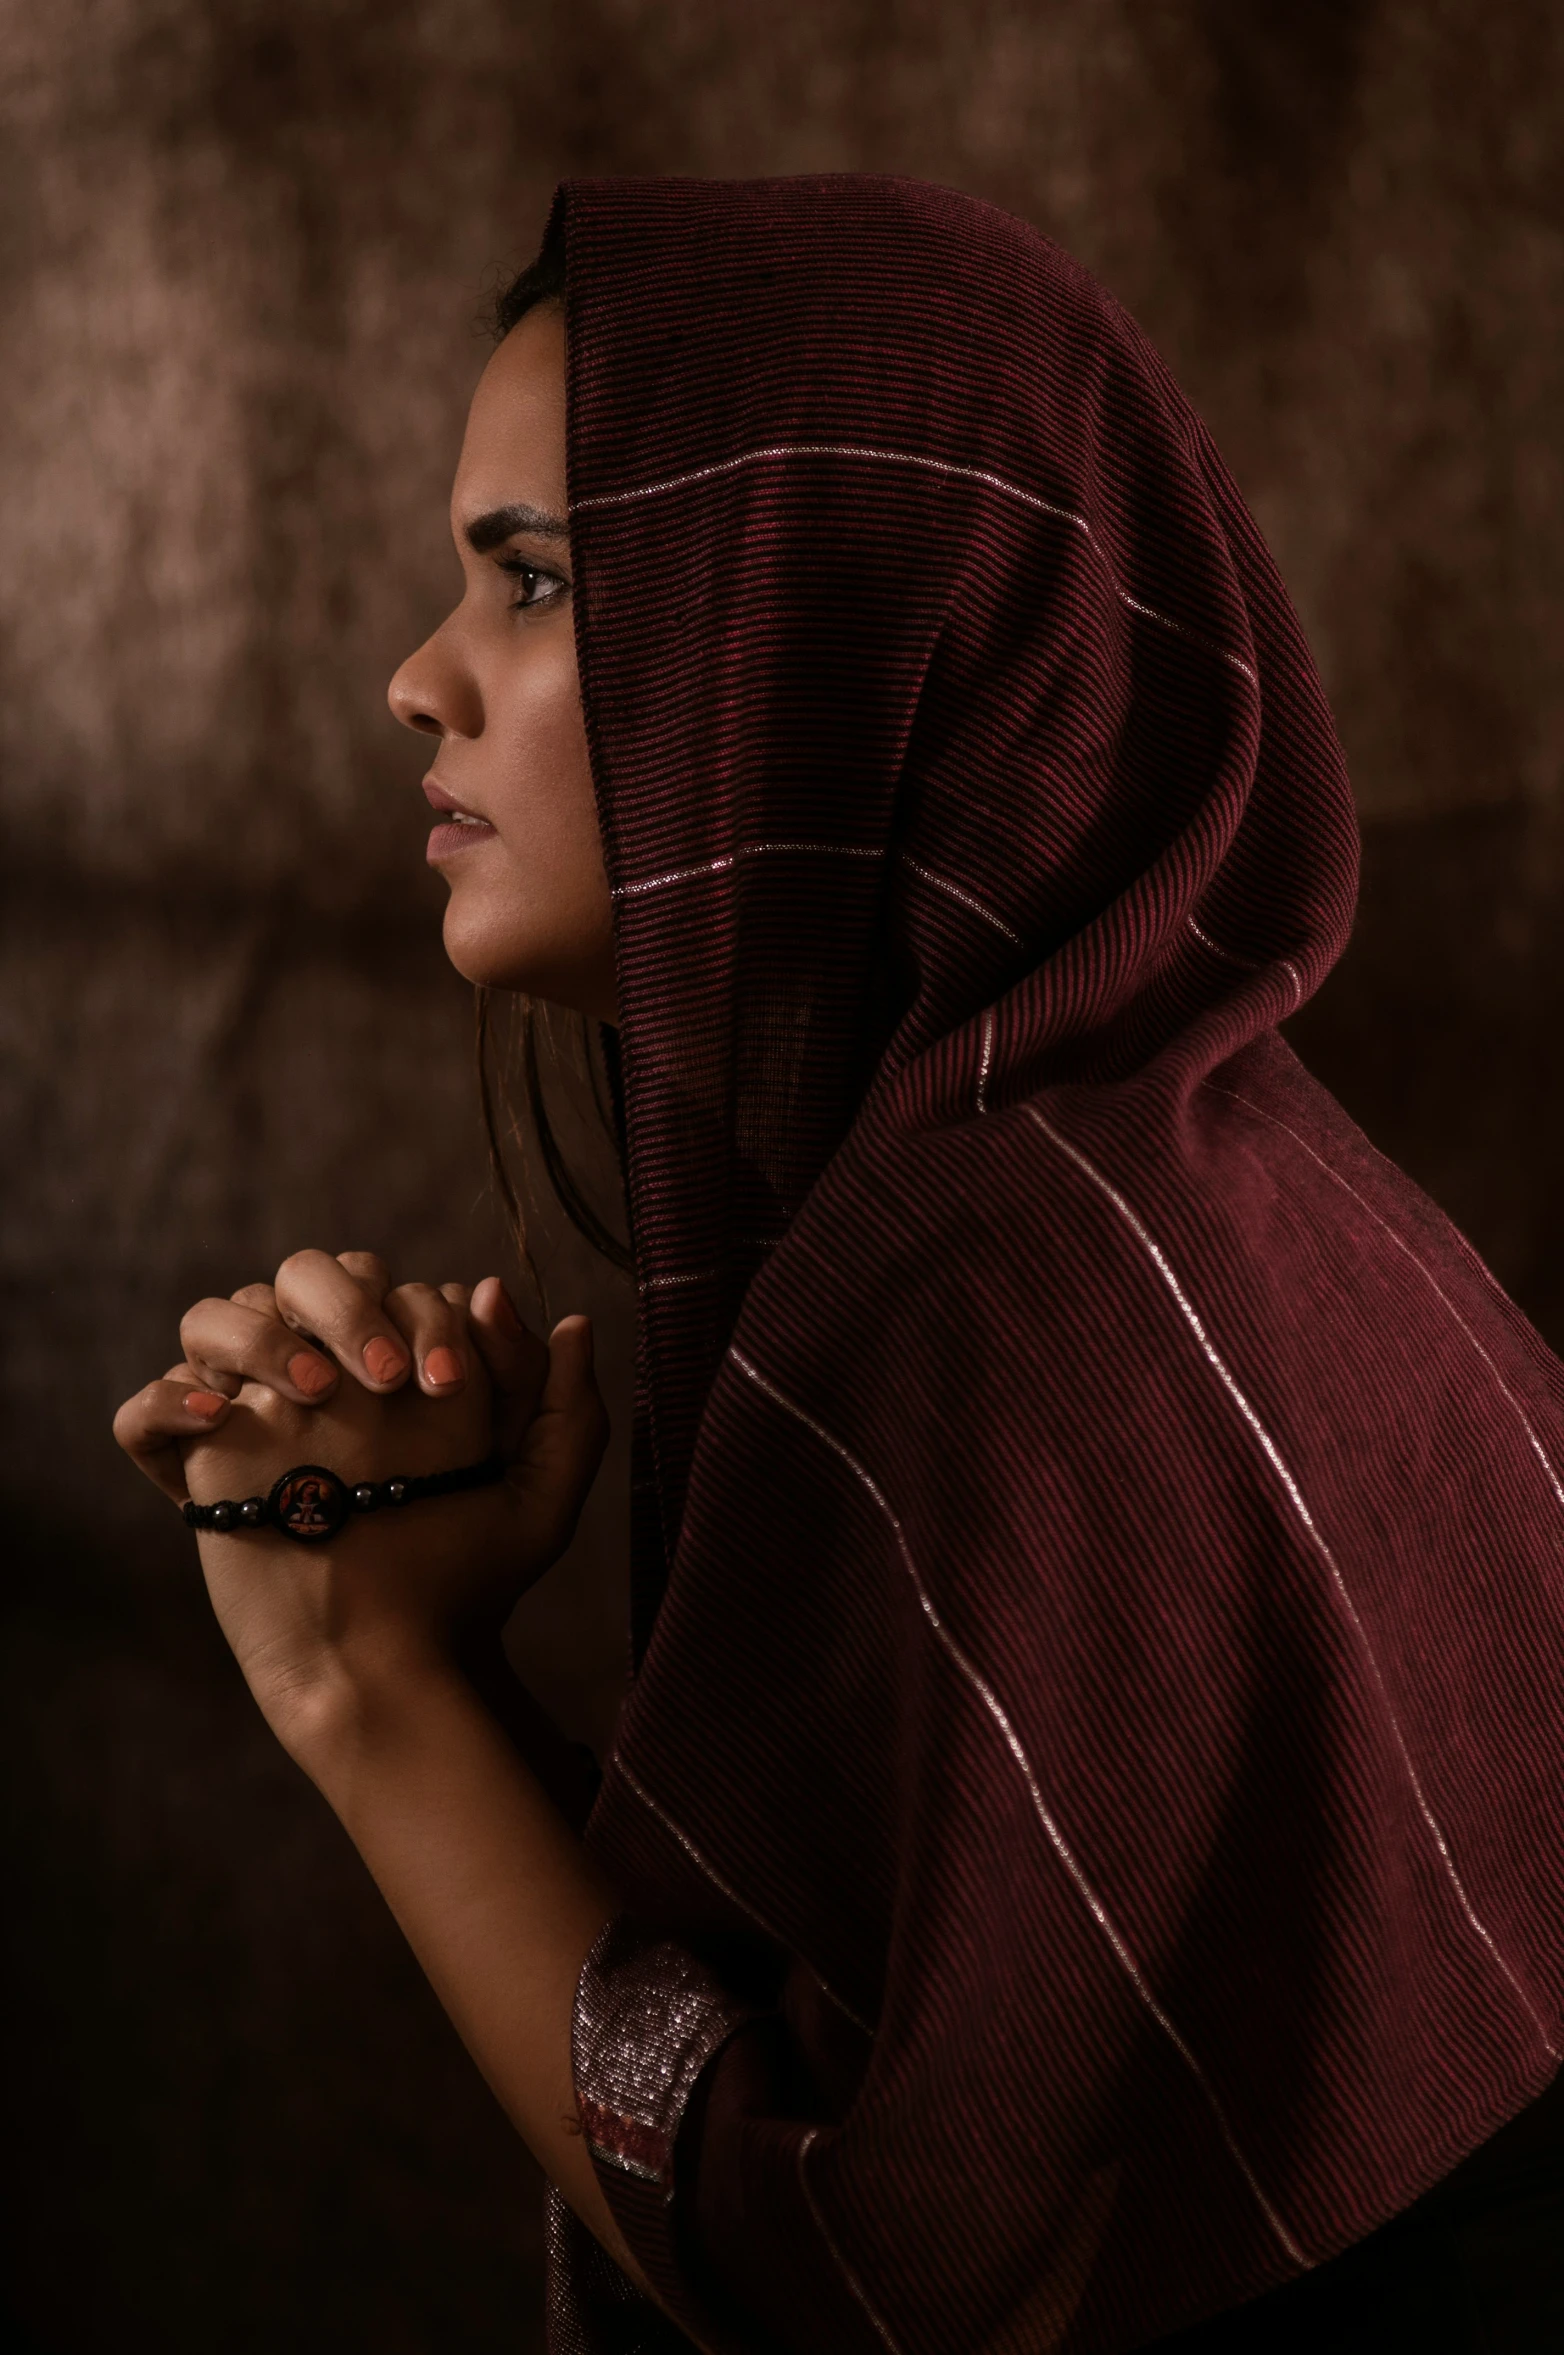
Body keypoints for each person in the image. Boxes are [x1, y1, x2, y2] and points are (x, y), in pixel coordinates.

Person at [112, 176, 1564, 2352]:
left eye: (528, 582)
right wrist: (394, 1622)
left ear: (824, 626)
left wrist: (370, 1691)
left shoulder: (1029, 1289)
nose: (416, 681)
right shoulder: (1180, 1182)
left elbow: (872, 2285)